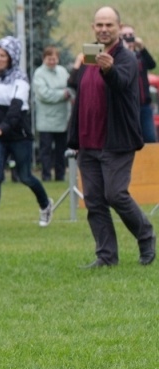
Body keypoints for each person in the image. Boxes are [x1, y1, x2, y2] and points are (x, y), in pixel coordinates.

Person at [68, 7, 155, 267]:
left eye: (109, 25)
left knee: (116, 194)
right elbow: (79, 95)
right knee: (94, 201)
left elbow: (122, 83)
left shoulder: (126, 58)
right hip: (88, 142)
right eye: (99, 25)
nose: (104, 29)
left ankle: (146, 236)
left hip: (116, 141)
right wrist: (74, 141)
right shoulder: (88, 57)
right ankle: (106, 257)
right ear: (93, 28)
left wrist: (109, 70)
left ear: (118, 27)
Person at [0, 36, 53, 232]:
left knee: (25, 176)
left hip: (18, 134)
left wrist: (3, 127)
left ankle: (45, 205)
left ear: (12, 57)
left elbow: (16, 109)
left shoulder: (20, 79)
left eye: (3, 55)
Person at [33, 47, 71, 182]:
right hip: (46, 120)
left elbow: (70, 87)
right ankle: (46, 175)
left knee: (61, 150)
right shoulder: (39, 74)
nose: (52, 61)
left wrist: (66, 93)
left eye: (54, 59)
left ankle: (60, 175)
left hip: (62, 118)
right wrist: (63, 94)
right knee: (46, 150)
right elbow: (44, 94)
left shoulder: (62, 71)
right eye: (49, 59)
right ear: (44, 59)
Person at [120, 24, 156, 143]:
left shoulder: (141, 55)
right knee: (130, 140)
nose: (129, 38)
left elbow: (152, 65)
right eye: (125, 35)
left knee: (150, 138)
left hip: (144, 104)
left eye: (131, 35)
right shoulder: (118, 56)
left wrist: (142, 48)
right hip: (127, 106)